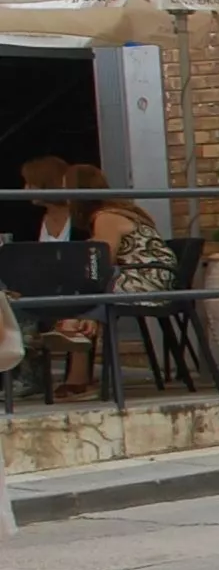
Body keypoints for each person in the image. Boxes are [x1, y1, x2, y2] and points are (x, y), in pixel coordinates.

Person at [46, 165, 173, 401]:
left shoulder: (106, 217)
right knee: (85, 294)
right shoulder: (118, 210)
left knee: (85, 292)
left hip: (144, 279)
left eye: (65, 188)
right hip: (141, 277)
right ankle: (78, 328)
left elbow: (101, 262)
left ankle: (72, 331)